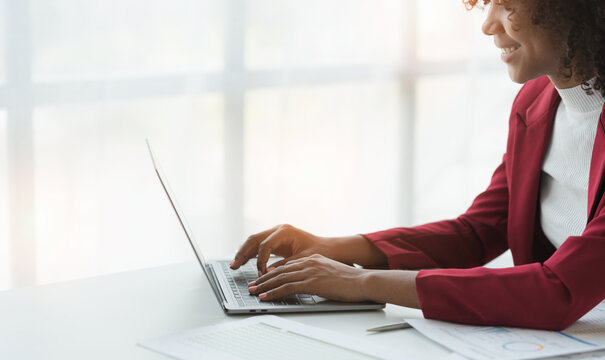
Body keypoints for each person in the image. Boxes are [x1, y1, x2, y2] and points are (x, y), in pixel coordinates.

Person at [231, 0, 605, 330]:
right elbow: (476, 232)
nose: (488, 24)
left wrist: (361, 282)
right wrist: (333, 248)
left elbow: (558, 290)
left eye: (507, 3)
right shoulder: (534, 103)